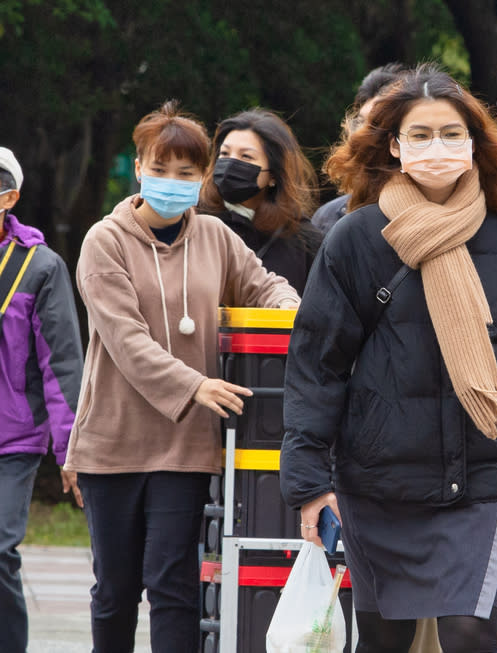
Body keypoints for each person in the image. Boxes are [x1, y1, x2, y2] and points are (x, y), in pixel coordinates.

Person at [280, 63, 497, 653]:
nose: (435, 147)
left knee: (468, 636)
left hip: (482, 478)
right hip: (380, 478)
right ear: (394, 145)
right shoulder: (355, 239)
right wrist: (309, 478)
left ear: (472, 144)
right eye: (419, 135)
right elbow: (318, 366)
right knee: (383, 642)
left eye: (450, 133)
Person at [63, 101, 300, 653]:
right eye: (160, 168)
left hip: (185, 445)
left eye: (187, 173)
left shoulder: (216, 236)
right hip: (114, 443)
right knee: (116, 590)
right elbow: (125, 340)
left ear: (202, 177)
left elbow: (266, 285)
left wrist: (289, 313)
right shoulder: (104, 241)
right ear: (139, 166)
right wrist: (194, 385)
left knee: (174, 584)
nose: (173, 182)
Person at [0, 147, 83, 653]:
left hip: (14, 438)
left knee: (0, 551)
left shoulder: (39, 267)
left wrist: (70, 446)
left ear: (9, 196)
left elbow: (62, 362)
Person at [199, 108, 322, 296]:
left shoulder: (303, 241)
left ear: (273, 175)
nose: (231, 163)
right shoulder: (194, 223)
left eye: (246, 156)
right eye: (224, 154)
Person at [311, 62, 407, 234]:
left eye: (378, 123)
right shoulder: (329, 218)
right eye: (362, 122)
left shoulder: (449, 211)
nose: (364, 135)